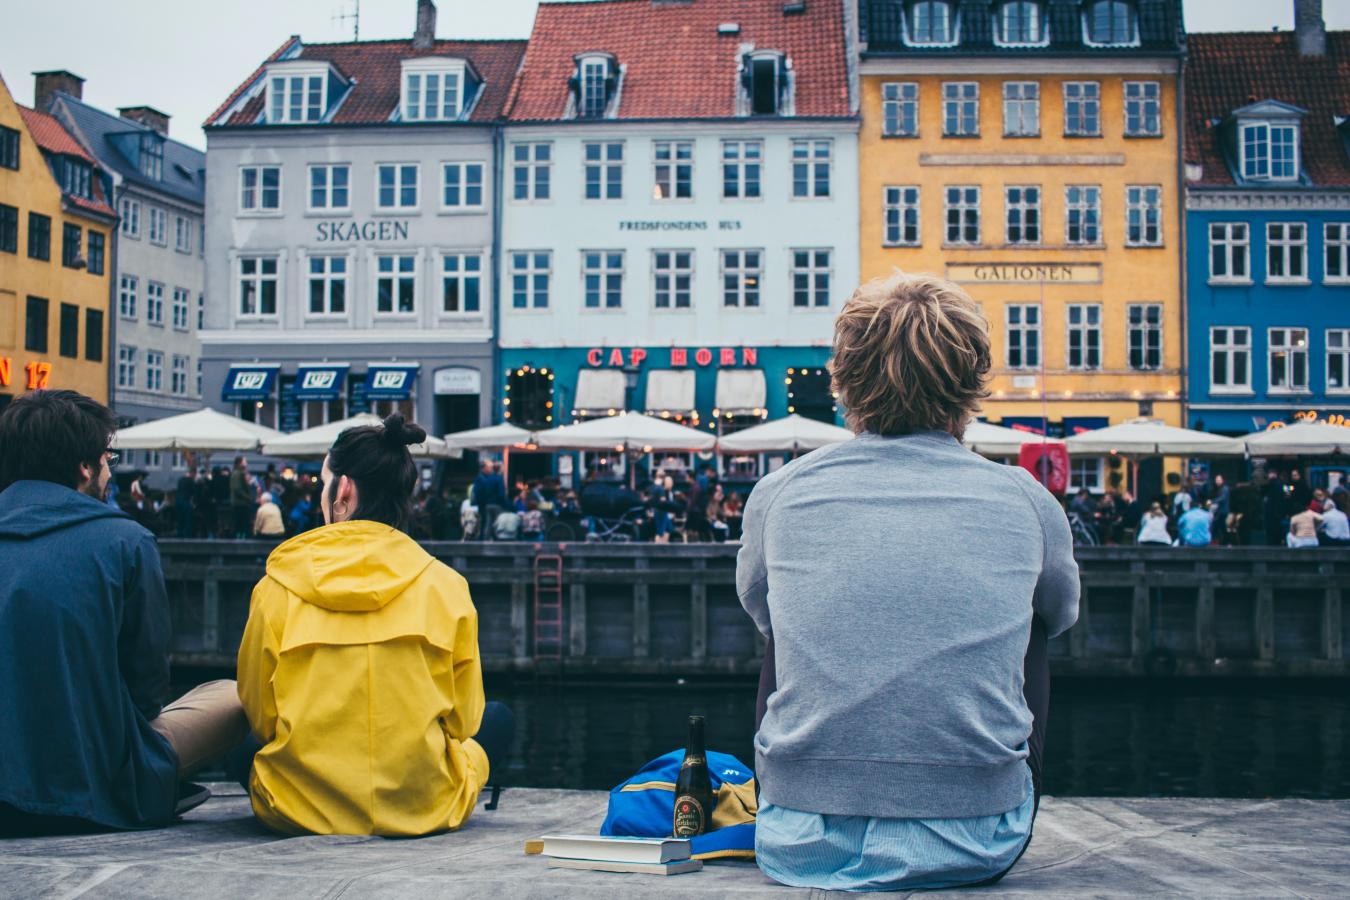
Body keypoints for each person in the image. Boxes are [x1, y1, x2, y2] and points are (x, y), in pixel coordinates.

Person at [738, 273, 1078, 892]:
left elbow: (765, 618)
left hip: (796, 835)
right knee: (1029, 622)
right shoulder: (1026, 500)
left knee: (784, 629)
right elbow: (1058, 616)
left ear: (844, 377)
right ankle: (1000, 789)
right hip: (978, 840)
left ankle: (795, 779)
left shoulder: (780, 493)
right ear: (972, 379)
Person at [234, 413, 513, 836]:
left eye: (323, 483)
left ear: (343, 489)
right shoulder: (446, 586)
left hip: (297, 806)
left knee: (234, 735)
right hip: (424, 804)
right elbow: (464, 723)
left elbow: (261, 717)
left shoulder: (276, 588)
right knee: (498, 719)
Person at [0, 390, 247, 835]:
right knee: (233, 695)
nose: (110, 469)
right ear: (84, 467)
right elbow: (146, 688)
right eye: (108, 457)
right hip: (93, 787)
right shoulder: (124, 541)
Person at [229, 457, 254, 539]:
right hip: (240, 503)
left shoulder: (239, 473)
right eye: (244, 461)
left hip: (239, 503)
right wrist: (248, 498)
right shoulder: (238, 474)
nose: (246, 463)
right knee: (242, 524)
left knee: (239, 524)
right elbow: (237, 489)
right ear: (240, 463)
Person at [175, 467, 198, 539]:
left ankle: (179, 535)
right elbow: (194, 492)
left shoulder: (181, 480)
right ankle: (188, 536)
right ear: (193, 473)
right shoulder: (191, 481)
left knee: (180, 520)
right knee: (188, 520)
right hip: (186, 502)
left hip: (178, 502)